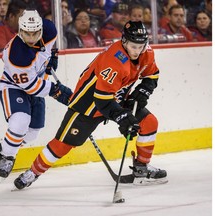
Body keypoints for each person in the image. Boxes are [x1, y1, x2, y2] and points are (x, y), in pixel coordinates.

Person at [13, 20, 168, 190]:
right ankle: (33, 172)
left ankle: (142, 169)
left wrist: (143, 92)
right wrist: (123, 117)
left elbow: (152, 75)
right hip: (89, 104)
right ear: (124, 41)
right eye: (133, 46)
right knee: (63, 144)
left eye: (141, 46)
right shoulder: (114, 60)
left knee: (149, 122)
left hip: (118, 97)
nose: (137, 51)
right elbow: (102, 100)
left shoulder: (147, 53)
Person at [0, 9, 73, 178]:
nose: (31, 38)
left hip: (37, 82)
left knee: (32, 133)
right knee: (20, 121)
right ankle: (7, 157)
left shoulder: (50, 30)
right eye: (27, 34)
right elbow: (31, 87)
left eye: (35, 33)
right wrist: (57, 91)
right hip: (14, 86)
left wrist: (52, 56)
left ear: (41, 29)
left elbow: (49, 48)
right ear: (20, 31)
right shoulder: (16, 55)